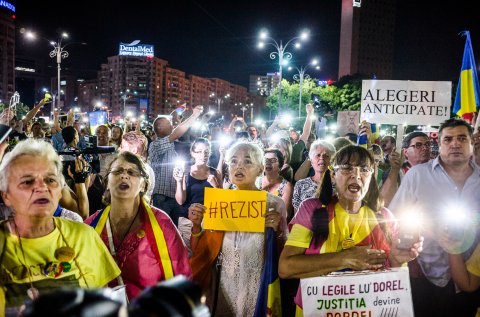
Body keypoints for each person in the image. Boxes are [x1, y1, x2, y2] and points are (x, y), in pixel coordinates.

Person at [279, 145, 423, 316]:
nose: (356, 175)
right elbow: (286, 267)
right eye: (347, 168)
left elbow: (392, 281)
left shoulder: (384, 217)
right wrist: (345, 259)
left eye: (364, 169)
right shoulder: (312, 209)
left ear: (372, 176)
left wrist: (398, 260)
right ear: (333, 175)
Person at [0, 139, 120, 316]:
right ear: (6, 195)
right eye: (27, 181)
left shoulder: (84, 236)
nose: (42, 187)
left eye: (50, 179)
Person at [389, 118, 480, 317]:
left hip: (472, 277)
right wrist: (426, 229)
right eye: (448, 139)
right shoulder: (417, 175)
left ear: (471, 144)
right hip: (423, 275)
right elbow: (394, 219)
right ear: (439, 145)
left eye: (462, 138)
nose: (455, 144)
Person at [187, 142, 288, 316]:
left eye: (247, 161)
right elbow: (202, 251)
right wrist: (196, 226)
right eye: (233, 161)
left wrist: (277, 231)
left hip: (258, 286)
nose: (239, 166)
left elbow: (285, 251)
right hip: (223, 287)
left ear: (260, 168)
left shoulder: (273, 204)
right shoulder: (218, 204)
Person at [85, 151, 192, 301]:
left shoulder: (162, 225)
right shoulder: (90, 227)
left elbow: (181, 278)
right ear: (107, 182)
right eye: (117, 171)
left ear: (143, 185)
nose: (124, 175)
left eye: (132, 172)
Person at [149, 106, 203, 226]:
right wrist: (193, 116)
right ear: (159, 127)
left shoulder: (172, 146)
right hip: (161, 197)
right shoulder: (155, 145)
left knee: (173, 233)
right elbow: (178, 133)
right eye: (169, 124)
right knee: (162, 231)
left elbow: (185, 134)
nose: (172, 126)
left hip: (174, 196)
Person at [173, 137, 221, 218]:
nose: (203, 155)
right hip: (188, 220)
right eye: (199, 152)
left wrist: (216, 187)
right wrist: (179, 181)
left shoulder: (215, 172)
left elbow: (222, 200)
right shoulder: (185, 171)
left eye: (206, 152)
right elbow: (181, 201)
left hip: (209, 219)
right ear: (193, 153)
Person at [381, 131, 430, 206]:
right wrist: (395, 169)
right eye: (418, 145)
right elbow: (384, 202)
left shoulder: (438, 172)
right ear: (405, 152)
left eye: (427, 144)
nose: (425, 148)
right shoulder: (395, 173)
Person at [292, 140, 336, 213]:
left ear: (332, 161)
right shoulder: (300, 185)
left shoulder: (339, 185)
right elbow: (296, 216)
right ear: (311, 161)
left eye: (326, 156)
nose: (321, 158)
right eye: (318, 155)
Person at [262, 148, 294, 220]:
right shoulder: (256, 181)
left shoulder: (286, 186)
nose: (268, 163)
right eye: (265, 160)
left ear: (280, 165)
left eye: (273, 160)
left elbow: (285, 215)